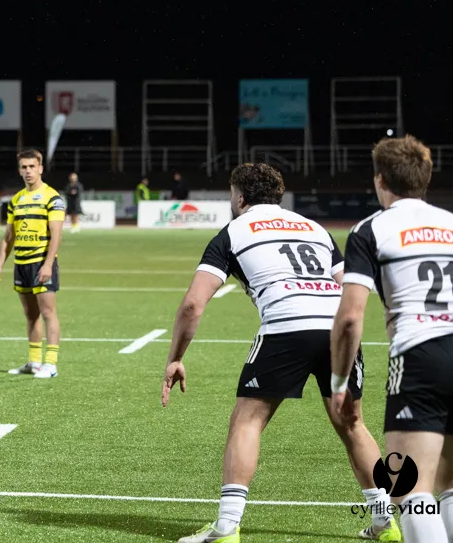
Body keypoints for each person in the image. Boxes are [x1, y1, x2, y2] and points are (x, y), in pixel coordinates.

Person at [162, 163, 392, 543]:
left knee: (247, 422)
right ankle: (386, 521)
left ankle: (226, 528)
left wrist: (175, 356)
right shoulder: (314, 228)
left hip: (287, 325)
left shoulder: (233, 231)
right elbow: (346, 283)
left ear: (239, 197)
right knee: (352, 424)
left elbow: (192, 305)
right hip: (337, 326)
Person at [332, 136, 453, 543]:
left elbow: (350, 317)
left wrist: (339, 381)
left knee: (412, 490)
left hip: (421, 356)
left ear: (380, 180)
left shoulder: (371, 230)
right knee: (450, 483)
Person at [0, 150, 65, 378]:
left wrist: (47, 264)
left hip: (42, 263)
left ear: (41, 168)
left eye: (32, 166)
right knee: (30, 314)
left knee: (48, 312)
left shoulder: (52, 198)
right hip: (21, 264)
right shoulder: (17, 199)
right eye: (24, 167)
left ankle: (51, 364)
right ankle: (34, 362)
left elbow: (56, 235)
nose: (28, 171)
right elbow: (8, 236)